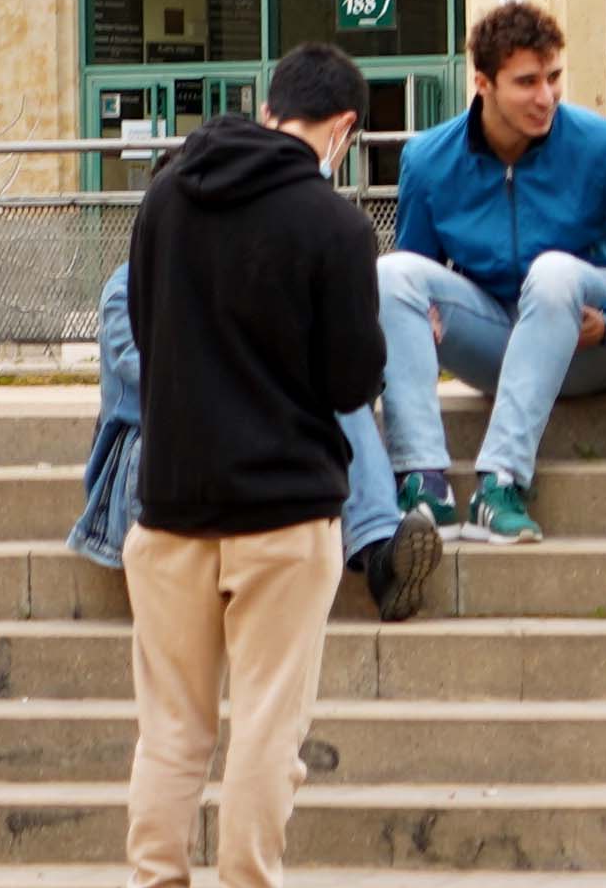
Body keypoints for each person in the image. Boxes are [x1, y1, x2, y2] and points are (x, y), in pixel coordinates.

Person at [110, 40, 385, 888]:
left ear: (272, 106)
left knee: (171, 725)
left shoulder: (167, 198)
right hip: (285, 510)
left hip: (172, 503)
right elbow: (353, 379)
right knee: (267, 723)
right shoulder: (335, 227)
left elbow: (145, 331)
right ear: (343, 128)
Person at [372, 0, 606, 544]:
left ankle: (501, 483)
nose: (547, 97)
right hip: (495, 340)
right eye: (527, 82)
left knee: (555, 269)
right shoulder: (427, 159)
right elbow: (417, 267)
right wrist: (421, 321)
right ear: (483, 83)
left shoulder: (598, 143)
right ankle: (423, 483)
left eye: (554, 77)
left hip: (591, 343)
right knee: (392, 274)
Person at [95, 253, 438, 624]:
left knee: (337, 396)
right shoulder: (128, 289)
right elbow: (167, 389)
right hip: (154, 462)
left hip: (248, 452)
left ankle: (381, 553)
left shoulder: (247, 279)